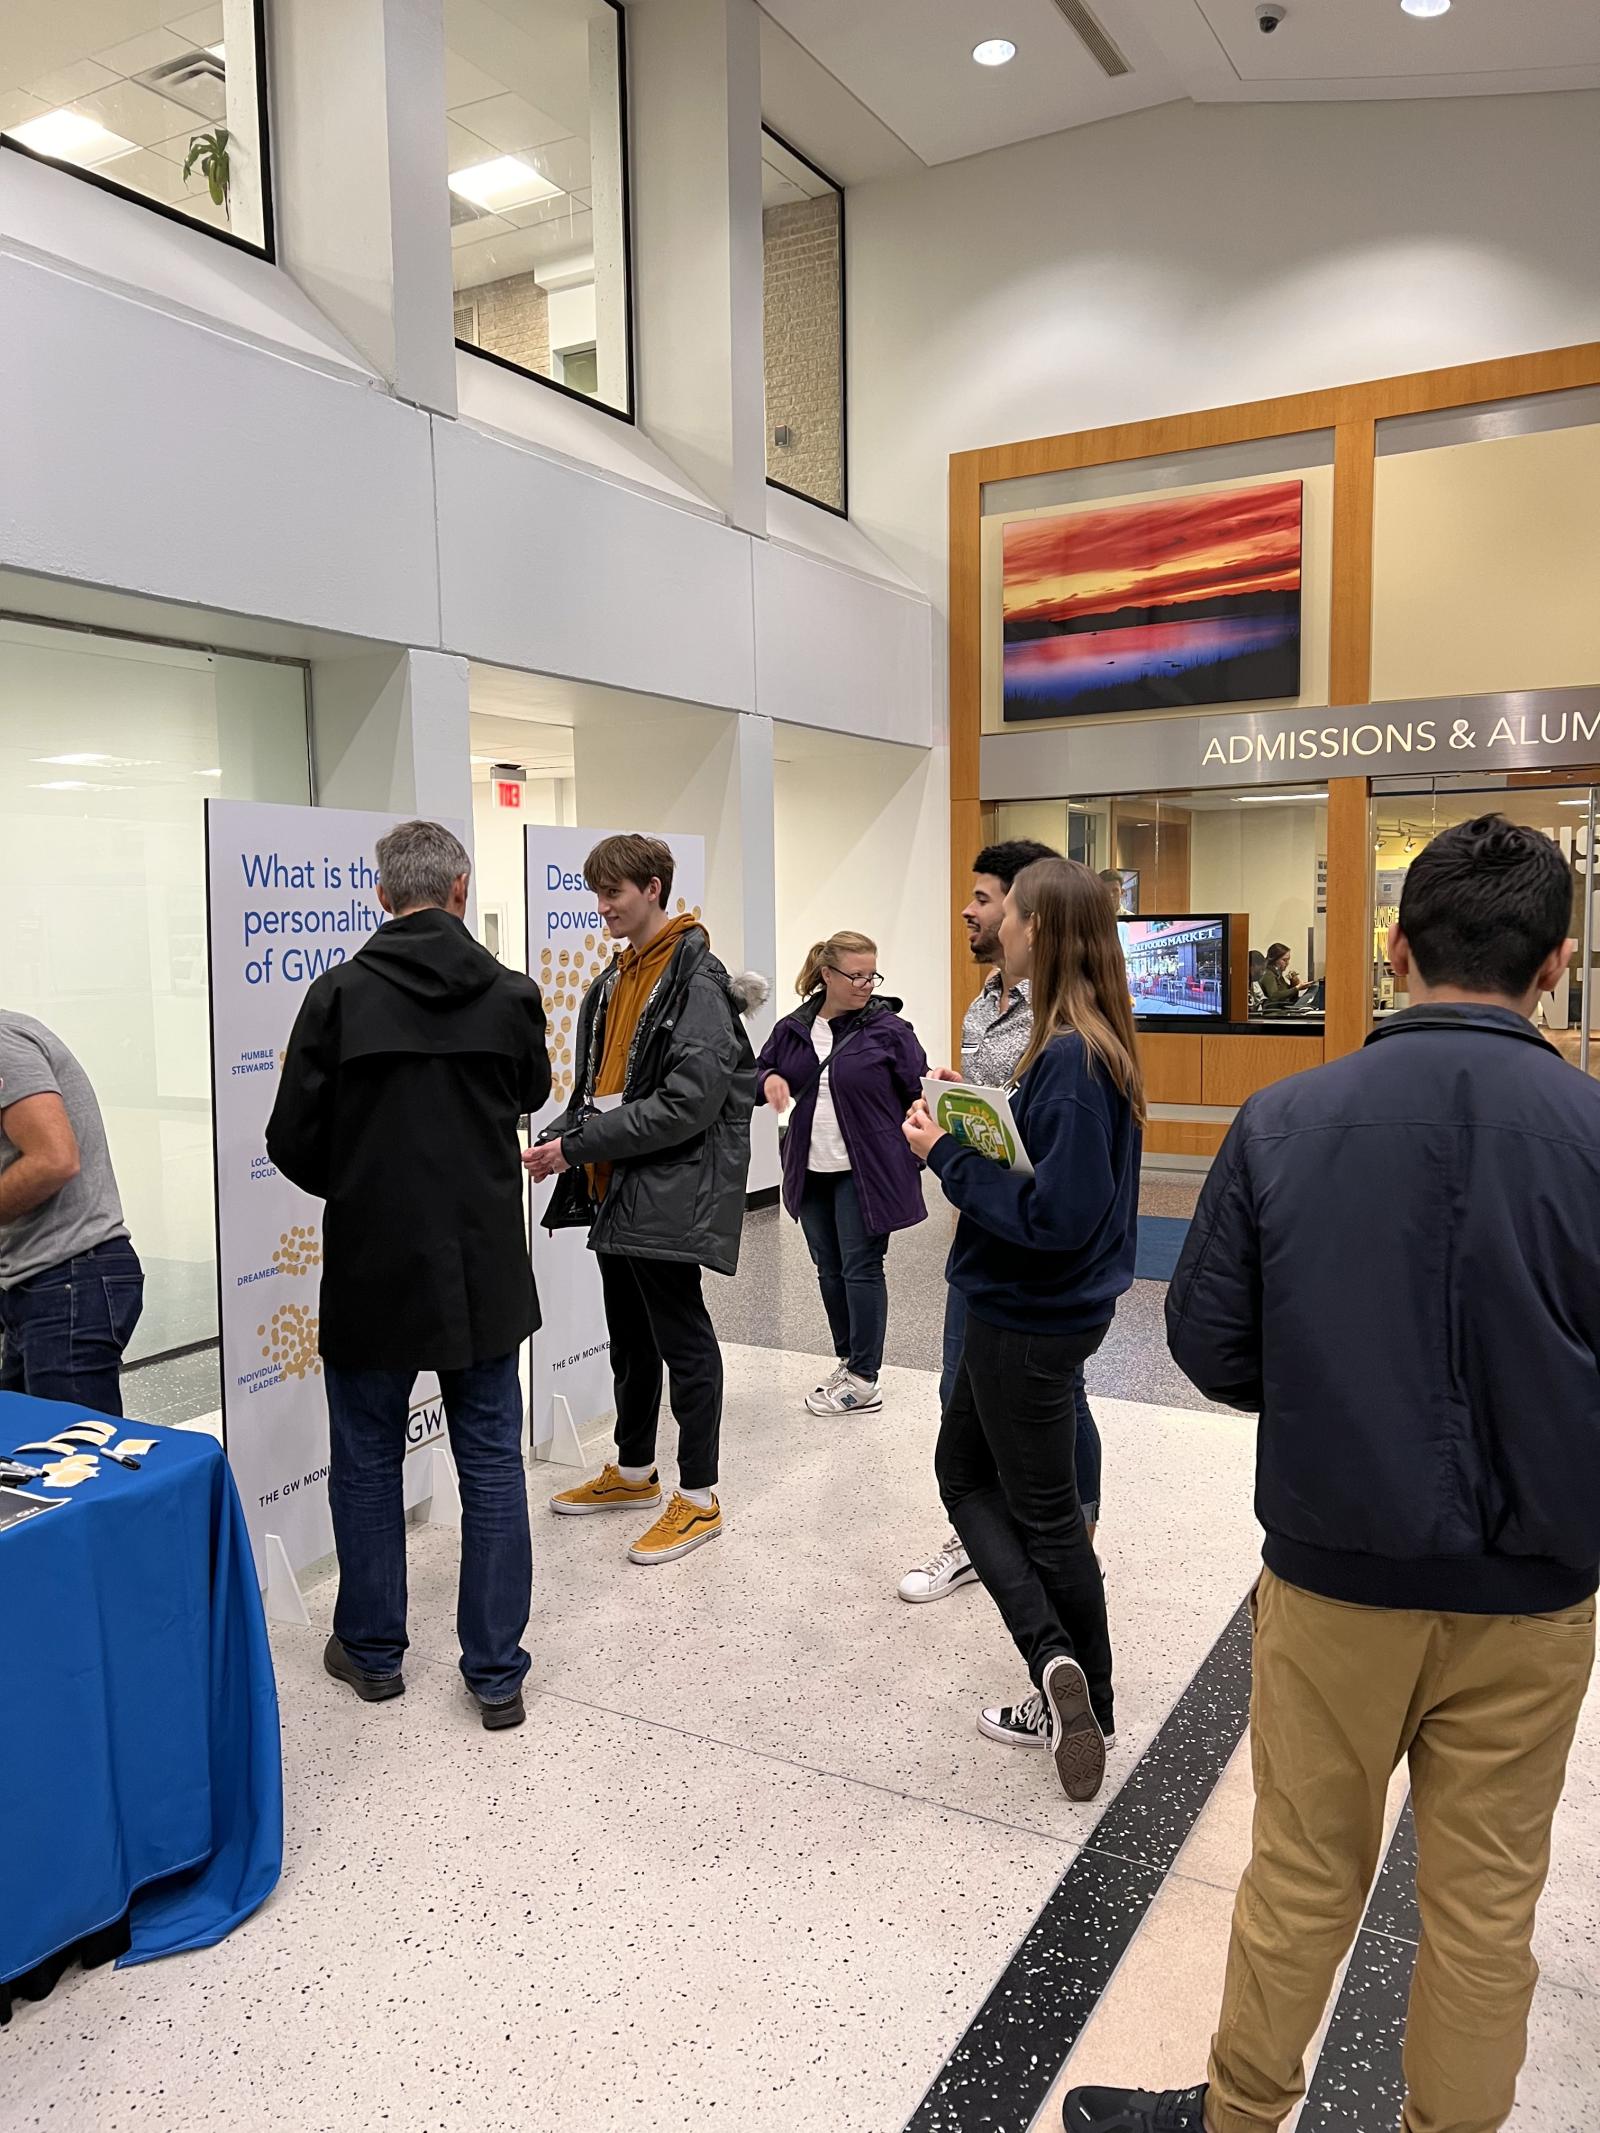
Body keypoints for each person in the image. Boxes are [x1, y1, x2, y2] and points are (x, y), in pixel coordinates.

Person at [1065, 814, 1600, 2133]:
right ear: (1560, 964)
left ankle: (1244, 2117)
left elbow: (1204, 1335)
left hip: (1333, 1569)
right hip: (1537, 1593)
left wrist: (1322, 1399)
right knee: (1485, 1909)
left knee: (1301, 1871)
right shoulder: (1592, 1128)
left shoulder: (1286, 1116)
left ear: (1398, 948)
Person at [266, 820, 550, 1732]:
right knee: (493, 1463)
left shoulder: (339, 992)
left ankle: (375, 1653)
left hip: (372, 1260)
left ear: (380, 895)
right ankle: (497, 1672)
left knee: (367, 1460)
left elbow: (291, 1139)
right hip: (483, 1266)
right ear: (462, 888)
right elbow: (529, 1094)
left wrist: (361, 1182)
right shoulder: (511, 993)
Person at [904, 857, 1144, 1802]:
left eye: (1008, 912)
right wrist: (981, 1124)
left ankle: (1078, 1685)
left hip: (1024, 1321)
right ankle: (1061, 1666)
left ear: (1040, 928)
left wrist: (948, 1153)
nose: (991, 921)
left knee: (1043, 1518)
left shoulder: (1074, 1060)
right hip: (1027, 1314)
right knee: (963, 1474)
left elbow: (1057, 1215)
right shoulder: (1074, 1048)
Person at [526, 834, 760, 1565]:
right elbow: (596, 1090)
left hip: (668, 1186)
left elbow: (687, 1103)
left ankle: (699, 1498)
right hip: (618, 1186)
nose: (603, 909)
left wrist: (578, 1145)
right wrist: (560, 1138)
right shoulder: (613, 980)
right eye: (597, 894)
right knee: (629, 1335)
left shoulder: (697, 980)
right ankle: (634, 1472)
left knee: (683, 1340)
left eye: (615, 894)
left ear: (654, 887)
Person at [898, 840, 1106, 1605]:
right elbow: (1011, 1132)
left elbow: (1060, 1187)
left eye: (992, 901)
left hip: (1030, 1256)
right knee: (965, 1391)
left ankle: (1069, 1549)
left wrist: (944, 1151)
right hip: (987, 1236)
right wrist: (959, 1106)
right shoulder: (985, 1006)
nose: (972, 911)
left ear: (1033, 920)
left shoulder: (1070, 1041)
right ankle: (1003, 1536)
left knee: (1053, 1403)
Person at [754, 931, 928, 1416]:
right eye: (855, 975)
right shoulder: (793, 1028)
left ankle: (866, 1378)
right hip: (810, 1168)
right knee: (828, 1269)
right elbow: (758, 1072)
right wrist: (768, 1079)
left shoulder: (889, 1030)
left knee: (862, 1267)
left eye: (872, 974)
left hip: (865, 1170)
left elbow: (920, 1088)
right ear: (827, 974)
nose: (865, 984)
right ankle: (847, 1361)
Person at [0, 1012, 144, 1414]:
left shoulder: (2, 1044)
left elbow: (55, 1160)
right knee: (28, 1456)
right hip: (37, 1282)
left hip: (68, 1278)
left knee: (80, 1463)